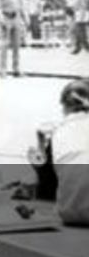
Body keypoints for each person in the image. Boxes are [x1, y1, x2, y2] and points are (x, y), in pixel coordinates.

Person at [28, 79, 89, 225]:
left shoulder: (57, 131)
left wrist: (40, 147)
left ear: (64, 106)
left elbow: (47, 188)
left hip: (69, 215)